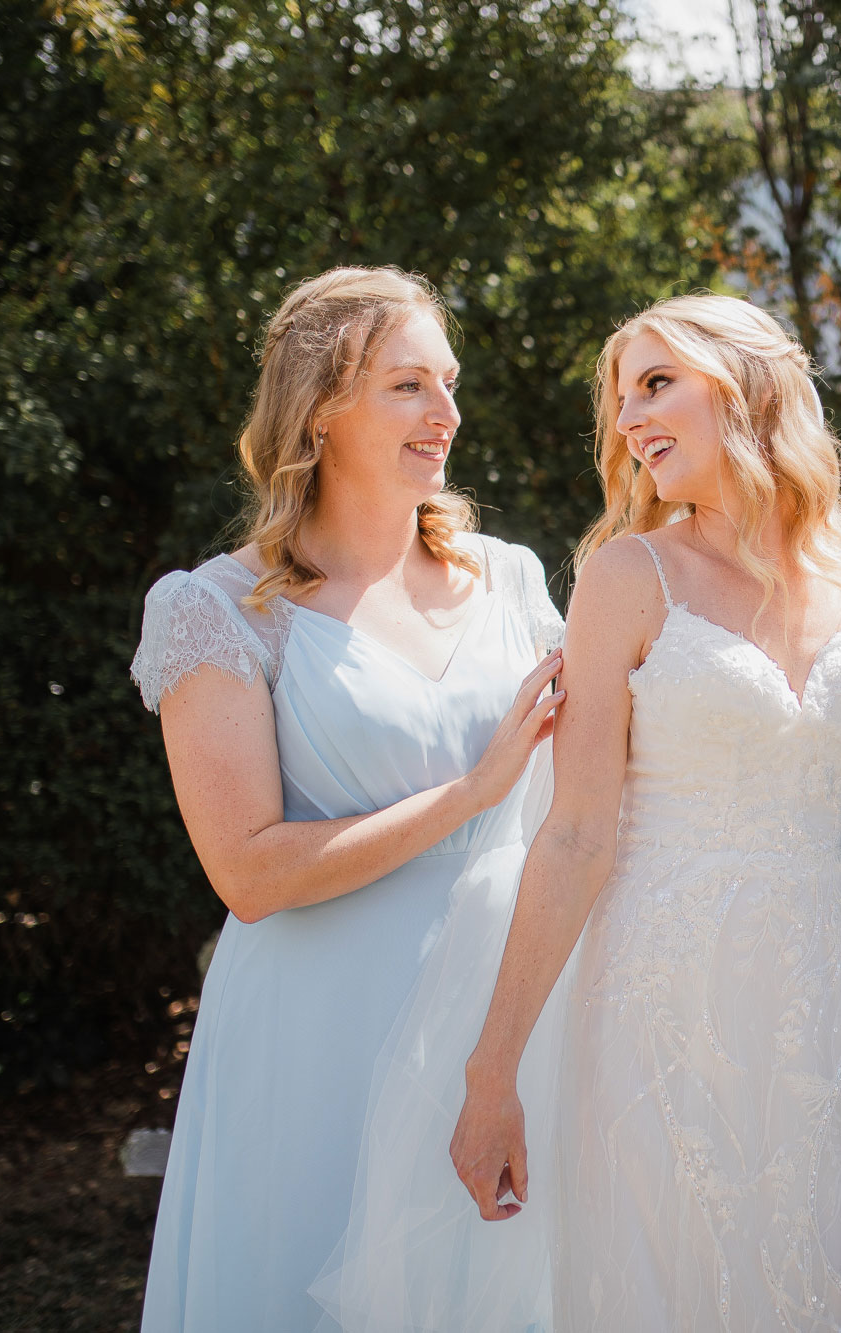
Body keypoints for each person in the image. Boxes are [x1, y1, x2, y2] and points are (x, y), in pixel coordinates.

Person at [127, 265, 564, 1333]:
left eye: (448, 383)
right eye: (409, 386)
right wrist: (471, 794)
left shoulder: (509, 580)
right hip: (318, 1030)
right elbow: (250, 871)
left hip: (500, 1023)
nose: (448, 414)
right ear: (320, 408)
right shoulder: (219, 609)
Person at [445, 293, 841, 1332]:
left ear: (747, 385)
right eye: (618, 399)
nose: (629, 419)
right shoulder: (629, 574)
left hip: (823, 997)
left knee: (819, 1276)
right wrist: (492, 1069)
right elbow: (574, 831)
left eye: (655, 383)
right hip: (657, 999)